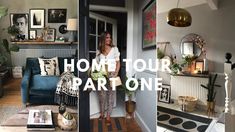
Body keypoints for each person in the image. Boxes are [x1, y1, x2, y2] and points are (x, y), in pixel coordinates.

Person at [95, 31, 120, 125]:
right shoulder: (99, 51)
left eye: (110, 37)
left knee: (111, 96)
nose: (109, 39)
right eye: (107, 37)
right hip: (101, 75)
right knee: (102, 96)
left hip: (112, 75)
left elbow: (118, 62)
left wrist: (116, 73)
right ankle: (102, 114)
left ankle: (108, 116)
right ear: (103, 39)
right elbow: (96, 63)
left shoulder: (114, 49)